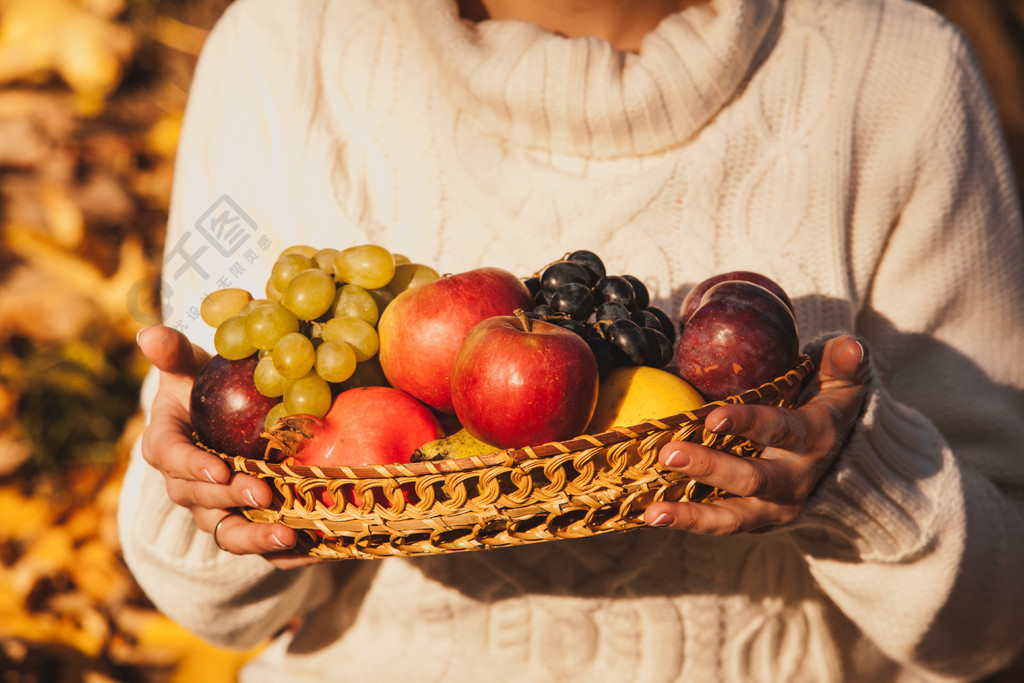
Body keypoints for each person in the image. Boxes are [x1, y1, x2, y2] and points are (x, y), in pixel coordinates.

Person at [118, 0, 1024, 680]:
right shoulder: (279, 48)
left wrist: (858, 479)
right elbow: (212, 609)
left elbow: (996, 619)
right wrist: (207, 490)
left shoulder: (896, 73)